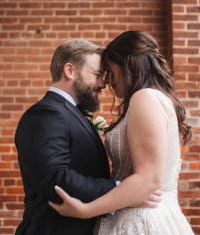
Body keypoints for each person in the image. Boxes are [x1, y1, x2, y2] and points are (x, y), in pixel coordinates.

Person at [49, 31, 195, 235]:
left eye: (109, 69)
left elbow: (148, 180)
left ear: (127, 63)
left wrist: (85, 210)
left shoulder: (144, 97)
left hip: (143, 222)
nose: (107, 80)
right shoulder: (156, 98)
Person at [15, 39, 160, 235]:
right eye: (97, 75)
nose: (103, 83)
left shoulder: (70, 112)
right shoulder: (45, 114)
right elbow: (55, 179)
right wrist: (124, 190)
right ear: (70, 71)